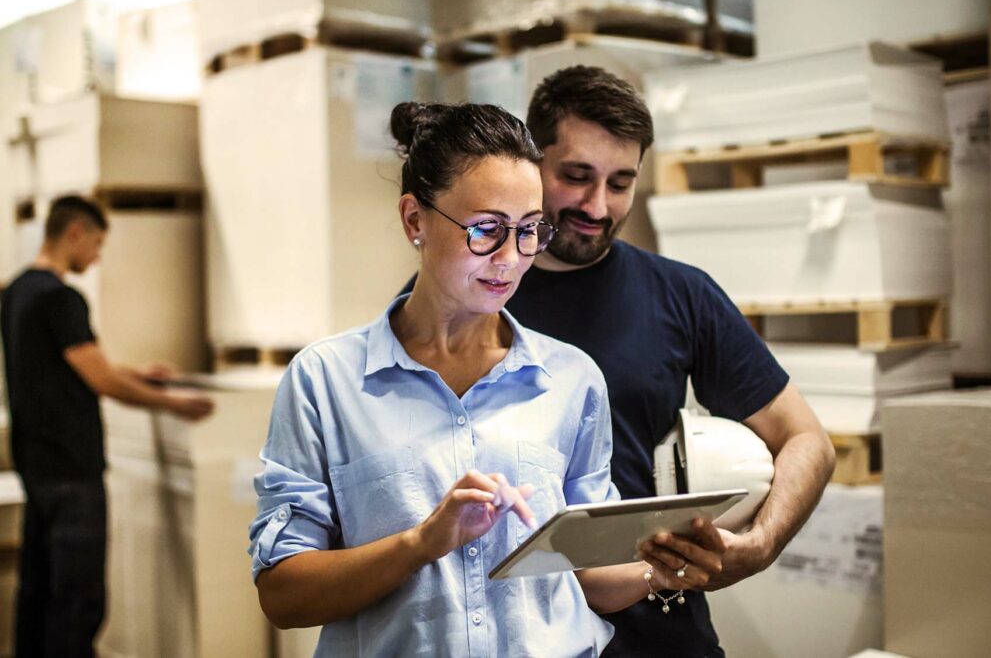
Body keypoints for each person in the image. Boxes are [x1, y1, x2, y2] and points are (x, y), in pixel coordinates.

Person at [249, 102, 685, 657]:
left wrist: (662, 569)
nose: (510, 258)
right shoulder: (327, 380)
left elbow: (583, 575)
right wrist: (420, 543)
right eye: (486, 229)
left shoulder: (571, 380)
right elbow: (284, 597)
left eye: (529, 231)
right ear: (415, 220)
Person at [503, 66, 838, 656]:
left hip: (661, 635)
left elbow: (807, 440)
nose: (597, 205)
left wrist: (760, 545)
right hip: (513, 636)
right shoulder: (474, 292)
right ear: (532, 164)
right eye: (576, 177)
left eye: (620, 182)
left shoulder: (680, 295)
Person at [0, 195, 214, 658]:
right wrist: (172, 403)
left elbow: (62, 366)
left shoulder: (17, 291)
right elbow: (98, 379)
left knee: (38, 591)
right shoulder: (61, 297)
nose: (97, 257)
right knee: (79, 600)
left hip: (37, 466)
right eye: (96, 244)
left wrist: (137, 373)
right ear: (74, 233)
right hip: (71, 470)